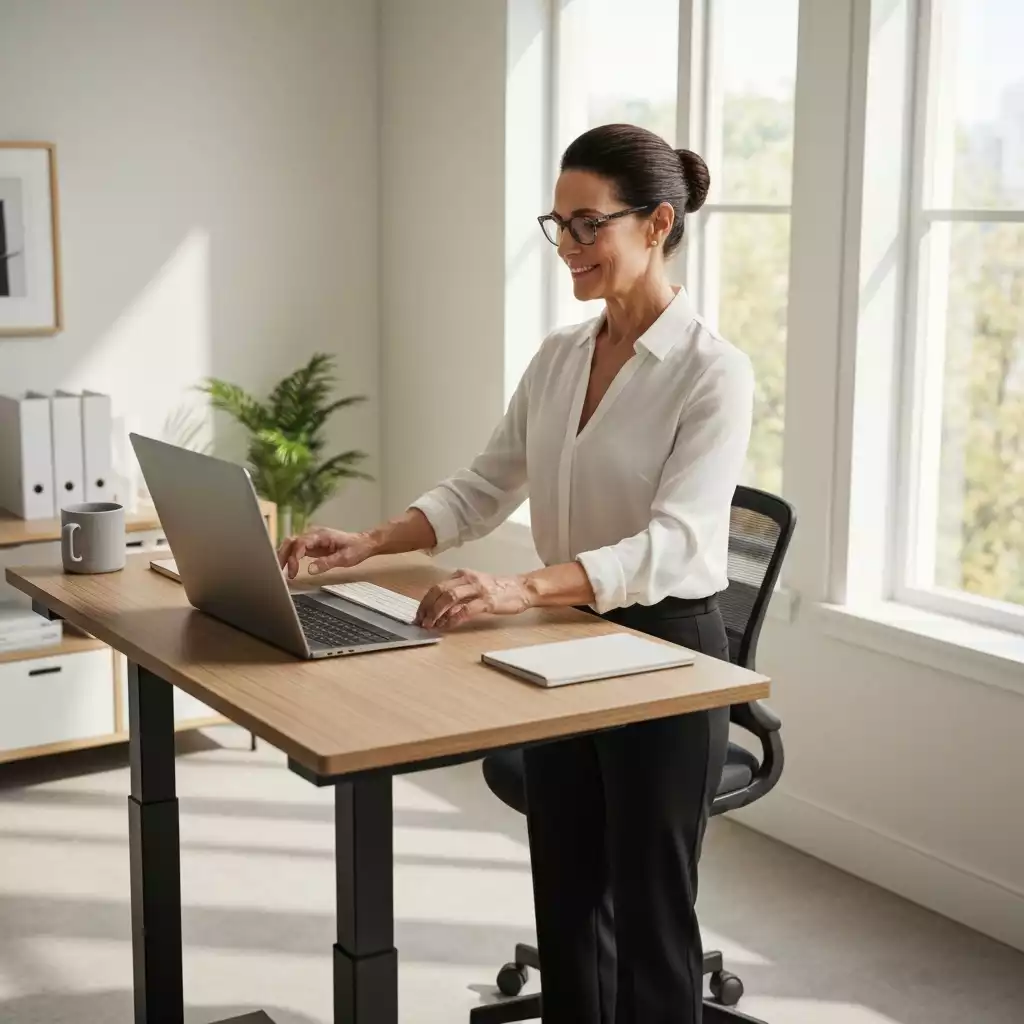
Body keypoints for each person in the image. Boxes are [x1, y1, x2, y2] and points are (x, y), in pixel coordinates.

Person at [278, 123, 754, 1024]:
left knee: (652, 917)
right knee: (568, 894)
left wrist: (516, 590)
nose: (567, 248)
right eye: (559, 225)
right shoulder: (562, 355)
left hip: (666, 656)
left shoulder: (711, 372)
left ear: (657, 225)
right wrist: (371, 542)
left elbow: (679, 544)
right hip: (570, 645)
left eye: (588, 226)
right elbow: (484, 485)